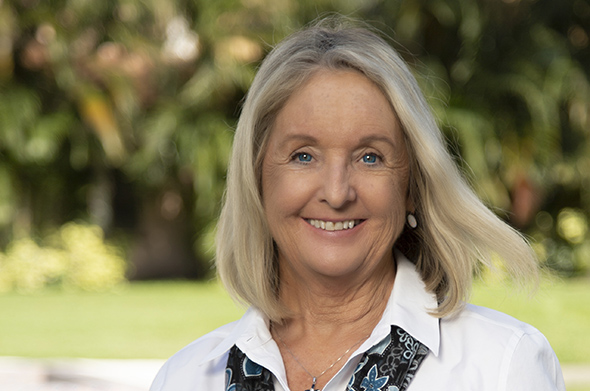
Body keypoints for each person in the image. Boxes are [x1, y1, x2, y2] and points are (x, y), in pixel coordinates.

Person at [150, 18, 565, 391]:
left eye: (370, 157)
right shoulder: (185, 378)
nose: (336, 192)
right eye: (303, 155)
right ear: (257, 178)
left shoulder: (501, 367)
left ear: (411, 186)